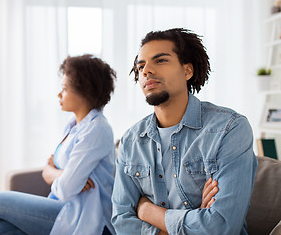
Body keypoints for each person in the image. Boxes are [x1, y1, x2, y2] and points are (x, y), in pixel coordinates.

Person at [111, 28, 258, 235]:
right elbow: (121, 221)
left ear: (187, 71)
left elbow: (220, 226)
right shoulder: (131, 140)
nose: (146, 71)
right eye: (141, 65)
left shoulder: (229, 129)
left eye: (160, 60)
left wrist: (147, 210)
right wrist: (193, 221)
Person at [0, 54, 117, 235]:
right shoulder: (73, 125)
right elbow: (51, 170)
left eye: (65, 89)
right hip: (59, 206)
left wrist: (55, 174)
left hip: (85, 216)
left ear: (85, 92)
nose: (59, 94)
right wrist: (59, 174)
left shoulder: (97, 129)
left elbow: (66, 189)